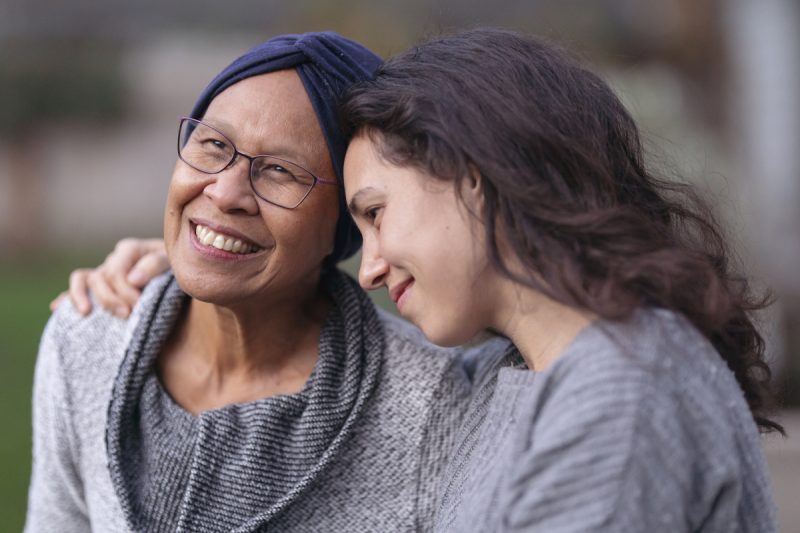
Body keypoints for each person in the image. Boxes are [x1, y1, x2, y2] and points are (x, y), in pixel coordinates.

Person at [57, 29, 782, 532]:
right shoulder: (536, 375)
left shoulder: (618, 400)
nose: (367, 266)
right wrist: (201, 260)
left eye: (373, 212)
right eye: (213, 149)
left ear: (476, 181)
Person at [26, 32, 472, 533]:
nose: (224, 192)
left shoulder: (429, 404)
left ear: (345, 220)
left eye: (280, 170)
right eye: (214, 145)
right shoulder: (86, 340)